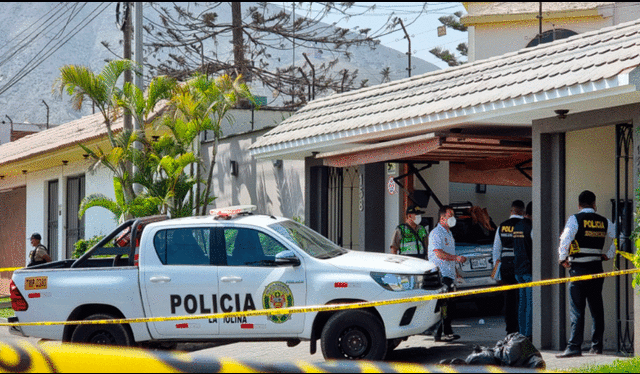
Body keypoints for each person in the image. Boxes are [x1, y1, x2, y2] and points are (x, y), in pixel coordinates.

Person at [556, 190, 616, 358]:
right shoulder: (604, 221)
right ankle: (597, 347)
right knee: (597, 308)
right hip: (597, 270)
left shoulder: (575, 219)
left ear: (579, 205)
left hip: (579, 271)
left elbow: (565, 239)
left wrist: (562, 259)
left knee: (577, 310)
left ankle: (574, 347)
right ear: (594, 204)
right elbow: (619, 237)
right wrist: (609, 254)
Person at [429, 205, 466, 342]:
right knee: (443, 304)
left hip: (449, 273)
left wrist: (456, 272)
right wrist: (456, 259)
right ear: (442, 217)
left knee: (450, 304)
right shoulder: (436, 233)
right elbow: (438, 253)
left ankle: (446, 331)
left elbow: (451, 254)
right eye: (450, 215)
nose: (453, 218)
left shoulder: (449, 233)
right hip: (441, 274)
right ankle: (441, 332)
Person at [492, 200, 525, 335]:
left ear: (511, 211)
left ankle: (510, 329)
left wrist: (496, 275)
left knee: (509, 299)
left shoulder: (502, 227)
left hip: (505, 268)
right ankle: (520, 328)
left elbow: (496, 251)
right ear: (522, 211)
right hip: (520, 266)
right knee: (521, 299)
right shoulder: (525, 225)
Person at [513, 203, 533, 340]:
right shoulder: (531, 228)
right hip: (529, 270)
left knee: (522, 304)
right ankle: (528, 334)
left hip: (518, 269)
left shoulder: (517, 226)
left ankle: (521, 333)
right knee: (530, 304)